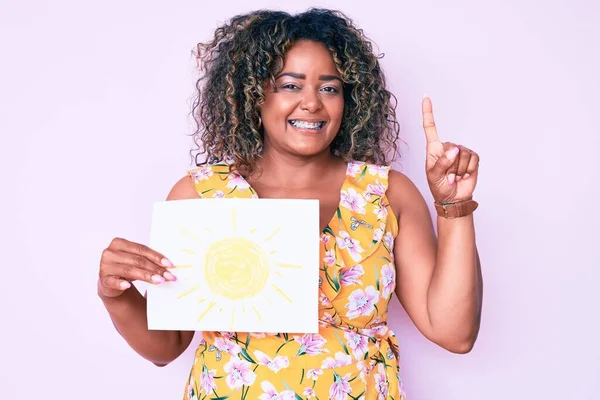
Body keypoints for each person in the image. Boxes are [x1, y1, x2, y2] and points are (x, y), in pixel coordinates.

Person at [97, 8, 483, 400]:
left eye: (329, 87)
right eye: (290, 85)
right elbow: (166, 347)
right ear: (253, 93)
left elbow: (454, 333)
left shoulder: (386, 194)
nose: (312, 103)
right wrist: (116, 294)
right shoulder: (203, 195)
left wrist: (453, 207)